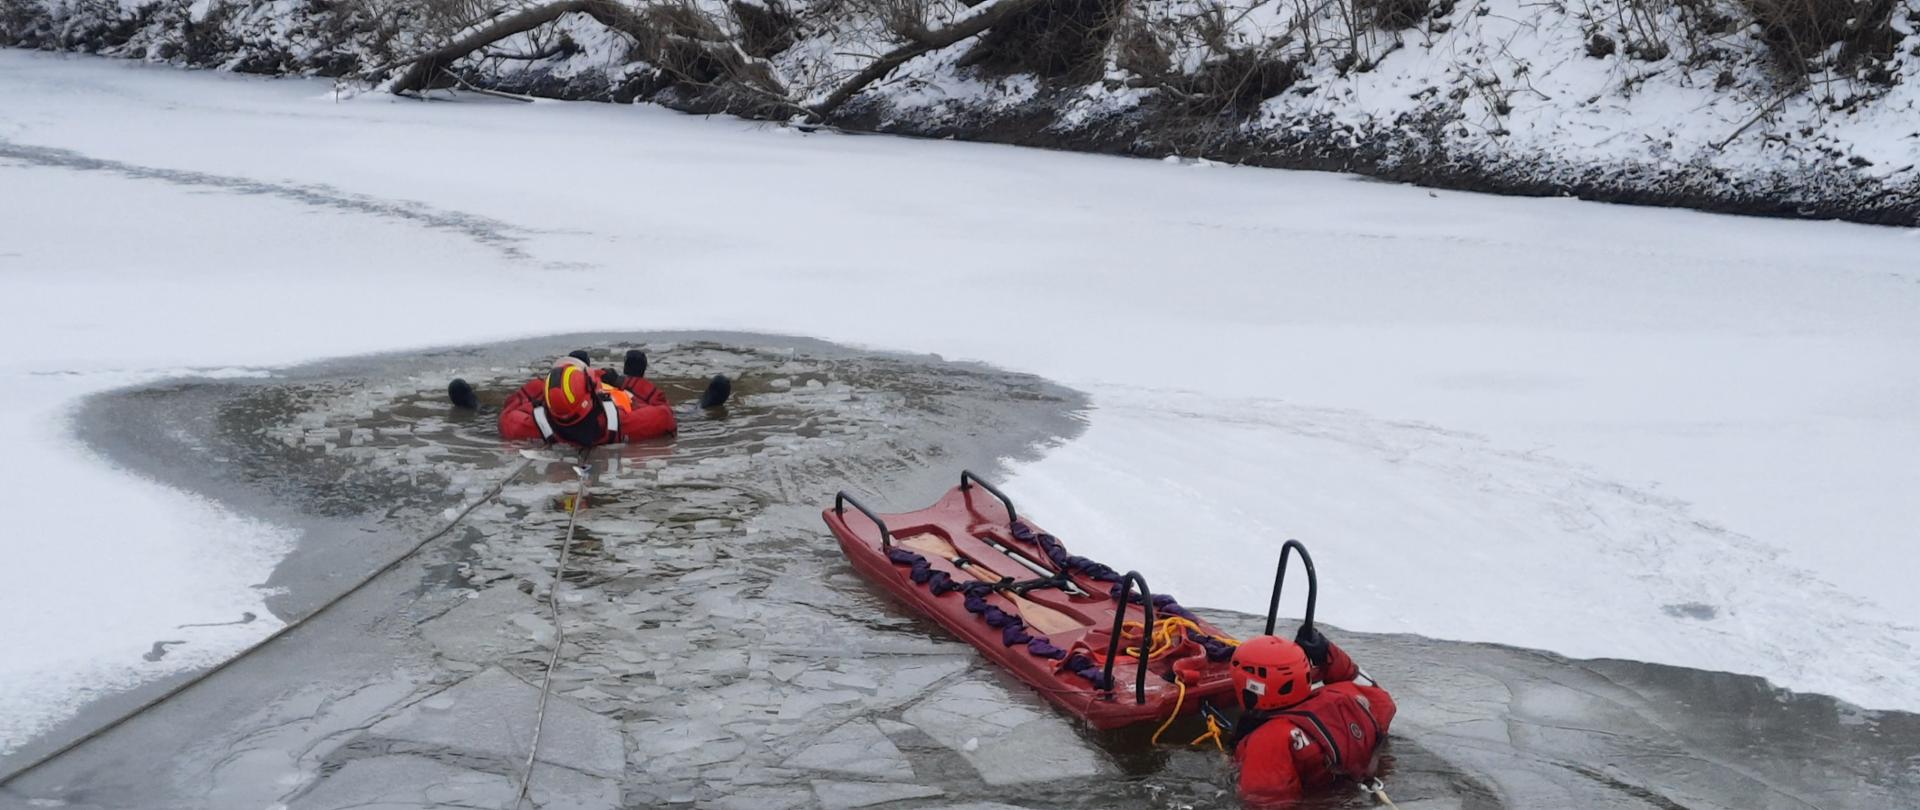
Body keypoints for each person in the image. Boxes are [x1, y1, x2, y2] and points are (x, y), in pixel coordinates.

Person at [1228, 626, 1397, 807]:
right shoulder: (1346, 693)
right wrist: (1327, 654)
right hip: (1375, 782)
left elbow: (1263, 802)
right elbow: (1383, 701)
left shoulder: (1268, 741)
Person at [449, 349, 729, 447]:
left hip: (568, 413)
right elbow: (663, 412)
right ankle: (702, 406)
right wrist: (622, 381)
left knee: (490, 416)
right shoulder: (628, 423)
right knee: (685, 417)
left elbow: (510, 409)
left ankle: (476, 407)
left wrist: (546, 384)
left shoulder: (526, 425)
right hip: (624, 404)